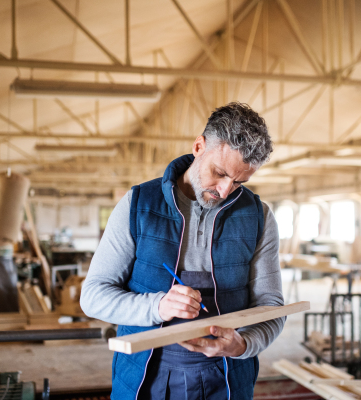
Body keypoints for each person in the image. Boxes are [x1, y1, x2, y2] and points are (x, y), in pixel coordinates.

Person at [80, 102, 285, 400]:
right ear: (199, 146)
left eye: (240, 181)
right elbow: (93, 297)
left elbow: (273, 307)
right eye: (220, 172)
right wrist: (157, 307)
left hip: (228, 381)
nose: (226, 190)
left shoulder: (259, 217)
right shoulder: (137, 205)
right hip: (145, 380)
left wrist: (243, 344)